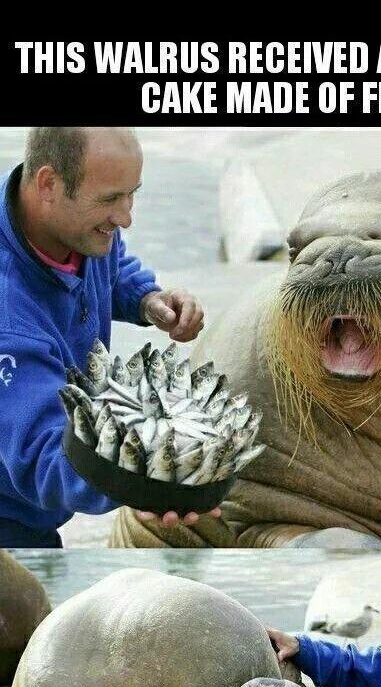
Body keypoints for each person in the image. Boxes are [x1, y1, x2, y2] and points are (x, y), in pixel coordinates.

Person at [0, 127, 219, 547]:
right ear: (48, 184)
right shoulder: (9, 315)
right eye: (109, 200)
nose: (125, 218)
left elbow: (111, 263)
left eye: (130, 194)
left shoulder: (75, 227)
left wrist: (146, 298)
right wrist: (150, 480)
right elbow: (46, 459)